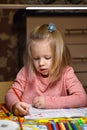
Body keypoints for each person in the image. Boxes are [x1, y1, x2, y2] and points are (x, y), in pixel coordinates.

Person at [5, 23, 87, 116]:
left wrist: (48, 102)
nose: (41, 63)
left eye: (47, 58)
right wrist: (15, 105)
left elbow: (82, 98)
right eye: (36, 58)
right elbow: (11, 94)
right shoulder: (26, 71)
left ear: (58, 55)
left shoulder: (66, 72)